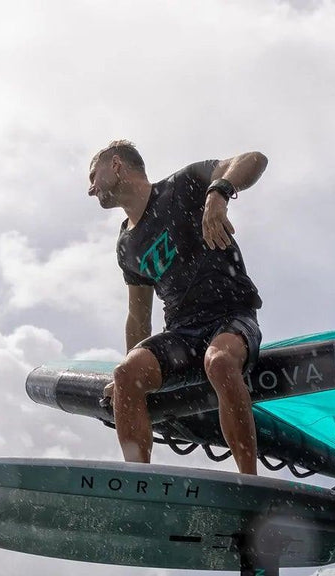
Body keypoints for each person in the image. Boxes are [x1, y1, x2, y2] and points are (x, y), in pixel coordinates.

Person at [87, 140, 267, 474]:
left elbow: (254, 159)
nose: (90, 188)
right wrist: (129, 380)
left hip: (231, 316)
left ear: (116, 165)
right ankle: (139, 482)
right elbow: (138, 317)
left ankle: (250, 481)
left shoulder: (182, 186)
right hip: (182, 335)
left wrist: (218, 193)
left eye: (92, 174)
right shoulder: (126, 245)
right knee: (125, 374)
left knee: (220, 361)